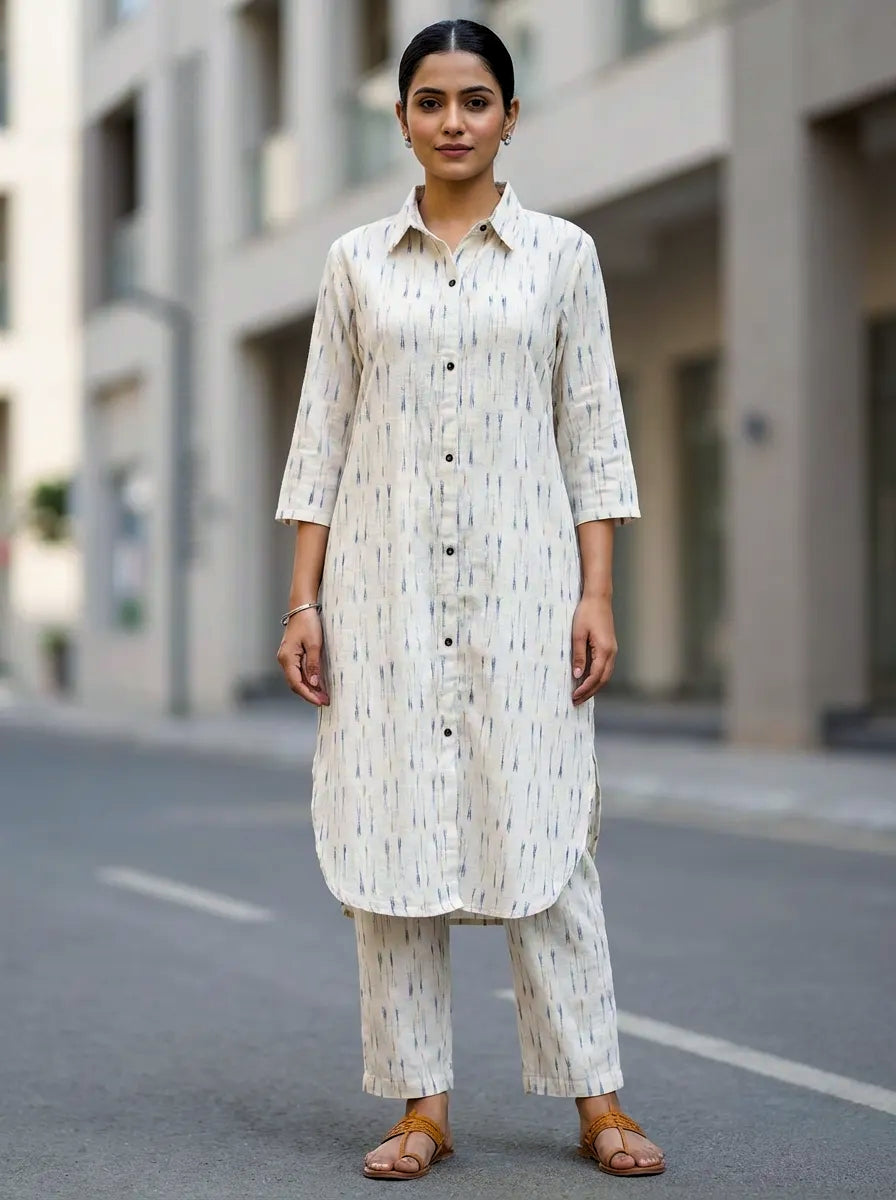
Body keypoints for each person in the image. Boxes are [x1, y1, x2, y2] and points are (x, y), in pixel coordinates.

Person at [275, 17, 665, 1181]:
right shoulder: (353, 264)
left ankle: (597, 1102)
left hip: (524, 596)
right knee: (391, 856)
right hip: (383, 598)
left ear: (509, 115)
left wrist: (596, 593)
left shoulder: (562, 256)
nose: (454, 121)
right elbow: (320, 441)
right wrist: (303, 603)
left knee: (549, 847)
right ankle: (421, 1107)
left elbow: (591, 431)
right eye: (432, 101)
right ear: (399, 118)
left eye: (476, 100)